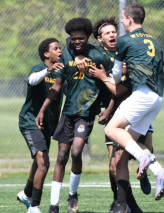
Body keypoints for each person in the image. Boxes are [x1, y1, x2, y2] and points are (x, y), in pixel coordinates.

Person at [89, 4, 164, 211]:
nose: (122, 23)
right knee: (126, 151)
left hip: (141, 95)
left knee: (111, 129)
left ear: (128, 18)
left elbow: (116, 78)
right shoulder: (154, 41)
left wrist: (108, 75)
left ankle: (144, 159)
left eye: (123, 19)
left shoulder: (124, 41)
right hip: (157, 98)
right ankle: (159, 171)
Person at [35, 18, 112, 213]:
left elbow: (110, 82)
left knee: (76, 151)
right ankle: (53, 205)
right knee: (61, 155)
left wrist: (109, 108)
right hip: (68, 112)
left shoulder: (98, 55)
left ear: (88, 38)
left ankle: (72, 194)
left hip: (86, 114)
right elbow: (57, 86)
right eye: (74, 38)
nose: (77, 41)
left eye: (81, 38)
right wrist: (43, 109)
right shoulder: (66, 56)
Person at [77, 16, 152, 213]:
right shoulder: (98, 55)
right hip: (115, 113)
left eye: (114, 32)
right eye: (107, 33)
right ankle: (126, 203)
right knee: (114, 165)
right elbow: (74, 43)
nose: (112, 35)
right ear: (99, 38)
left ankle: (143, 174)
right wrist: (79, 58)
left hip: (135, 108)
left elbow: (121, 88)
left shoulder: (126, 51)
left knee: (147, 147)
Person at [17, 38, 64, 213]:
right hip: (30, 121)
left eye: (60, 48)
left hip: (46, 124)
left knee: (39, 162)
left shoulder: (61, 72)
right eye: (56, 48)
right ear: (46, 53)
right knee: (44, 163)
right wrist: (48, 70)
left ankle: (26, 194)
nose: (60, 51)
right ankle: (34, 207)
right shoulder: (39, 69)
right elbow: (32, 80)